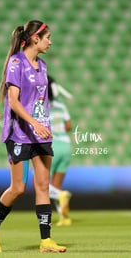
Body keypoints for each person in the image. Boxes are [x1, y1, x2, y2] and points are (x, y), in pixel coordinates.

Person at [0, 20, 67, 253]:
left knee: (42, 185)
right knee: (18, 188)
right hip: (20, 132)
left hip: (41, 133)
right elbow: (14, 101)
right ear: (34, 39)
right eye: (47, 37)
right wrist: (34, 124)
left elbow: (40, 102)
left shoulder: (43, 65)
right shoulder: (16, 62)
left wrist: (44, 125)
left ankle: (46, 241)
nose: (50, 41)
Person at [47, 75, 73, 227]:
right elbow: (68, 126)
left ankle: (60, 195)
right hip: (65, 145)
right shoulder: (61, 104)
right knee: (55, 186)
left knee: (43, 185)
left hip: (51, 145)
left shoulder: (41, 105)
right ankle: (64, 218)